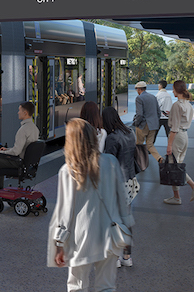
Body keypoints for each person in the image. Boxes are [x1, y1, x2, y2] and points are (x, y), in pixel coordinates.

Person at [48, 118, 134, 292]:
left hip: (82, 238)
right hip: (111, 234)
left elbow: (65, 211)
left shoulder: (68, 170)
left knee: (77, 285)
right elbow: (122, 200)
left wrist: (59, 243)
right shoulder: (110, 162)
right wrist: (127, 226)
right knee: (107, 286)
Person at [102, 106, 138, 268]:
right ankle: (127, 256)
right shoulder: (130, 132)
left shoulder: (112, 138)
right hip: (130, 181)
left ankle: (115, 257)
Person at [163, 80, 194, 205]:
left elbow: (174, 128)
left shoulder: (176, 105)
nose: (172, 91)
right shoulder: (188, 105)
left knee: (174, 166)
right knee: (177, 164)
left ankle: (192, 188)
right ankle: (177, 196)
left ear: (176, 89)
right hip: (185, 136)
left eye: (173, 89)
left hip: (177, 136)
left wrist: (169, 144)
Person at [133, 81, 162, 163]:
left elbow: (139, 114)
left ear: (139, 89)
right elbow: (158, 113)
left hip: (143, 125)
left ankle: (140, 161)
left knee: (139, 144)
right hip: (153, 125)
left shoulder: (139, 98)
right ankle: (159, 158)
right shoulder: (153, 97)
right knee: (150, 144)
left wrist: (136, 123)